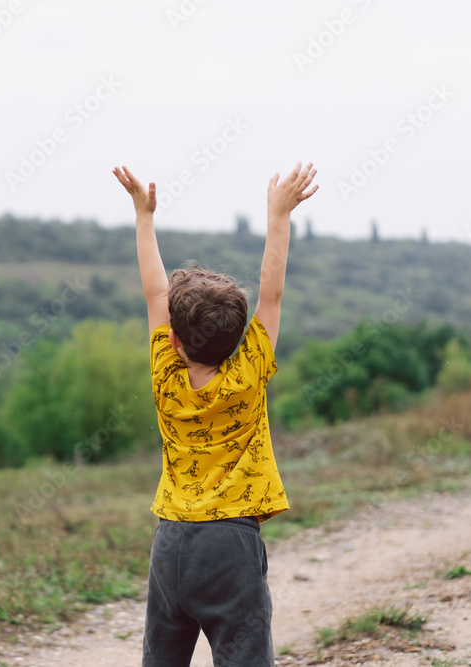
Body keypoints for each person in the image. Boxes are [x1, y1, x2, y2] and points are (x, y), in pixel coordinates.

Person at [112, 163, 319, 667]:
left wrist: (144, 217)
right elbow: (271, 293)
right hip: (231, 544)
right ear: (239, 335)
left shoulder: (167, 375)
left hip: (171, 542)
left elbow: (155, 293)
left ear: (176, 340)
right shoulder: (249, 372)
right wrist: (279, 214)